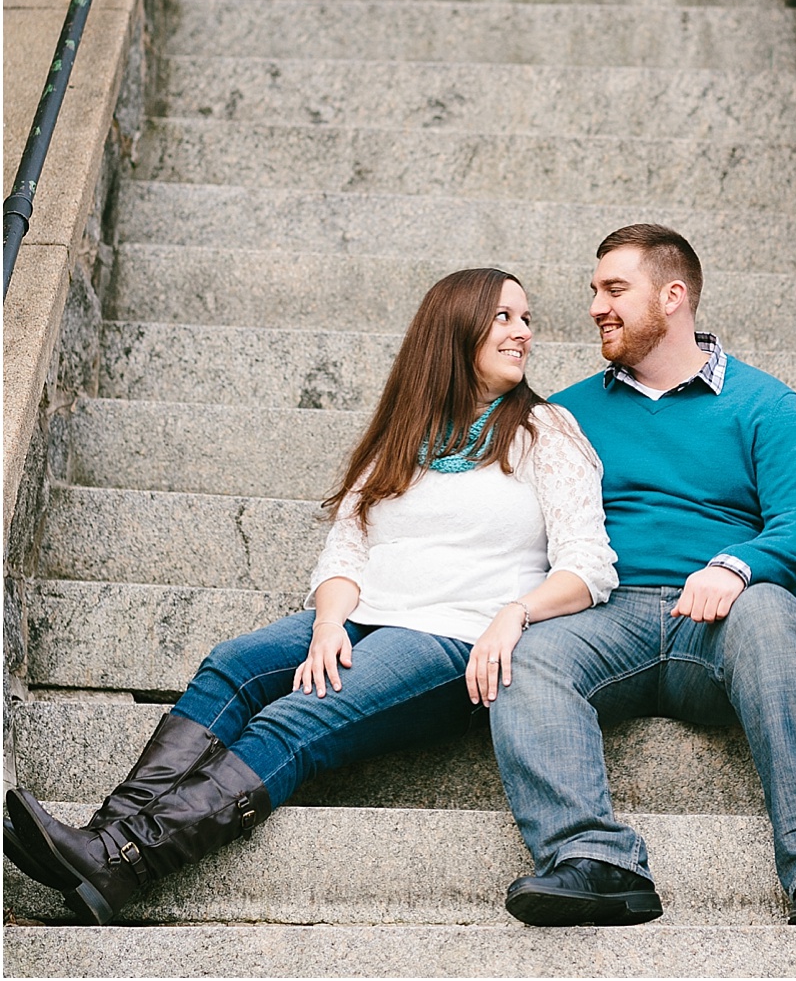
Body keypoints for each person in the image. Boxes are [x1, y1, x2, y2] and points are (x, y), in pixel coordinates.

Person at [5, 267, 617, 926]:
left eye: (526, 319)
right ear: (454, 326)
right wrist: (329, 622)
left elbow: (589, 566)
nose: (523, 331)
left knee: (294, 718)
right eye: (504, 317)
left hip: (455, 640)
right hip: (362, 616)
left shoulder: (547, 433)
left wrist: (515, 613)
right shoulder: (404, 433)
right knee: (235, 661)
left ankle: (131, 861)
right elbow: (347, 548)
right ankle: (104, 841)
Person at [491, 224, 796, 929]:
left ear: (673, 296)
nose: (597, 306)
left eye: (614, 290)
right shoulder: (565, 413)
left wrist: (737, 565)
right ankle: (593, 861)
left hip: (722, 624)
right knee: (529, 655)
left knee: (772, 611)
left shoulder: (766, 405)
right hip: (607, 615)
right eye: (594, 291)